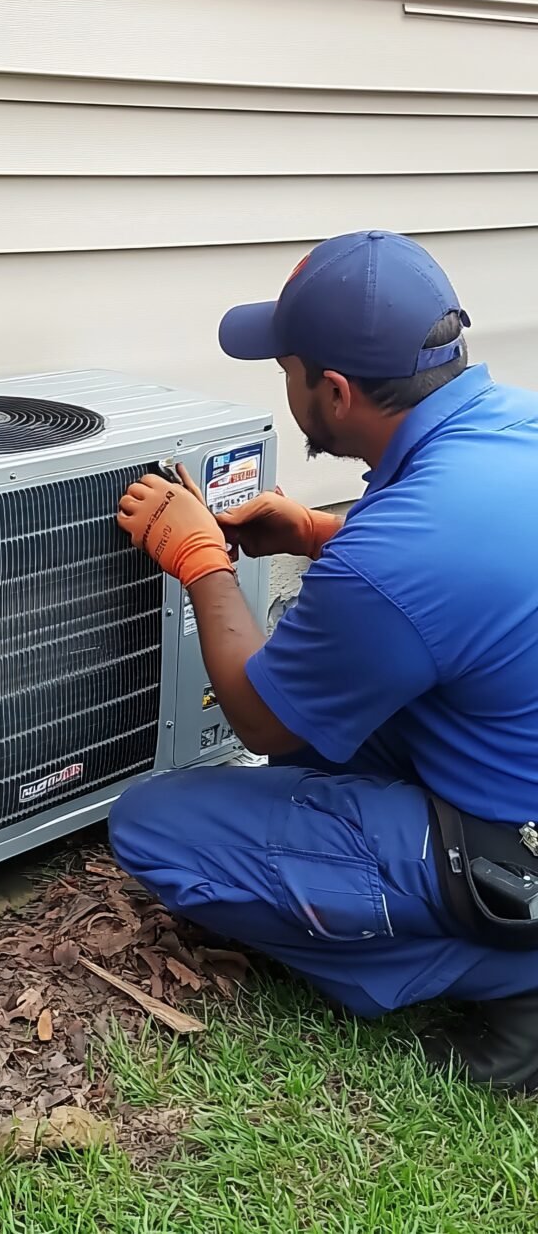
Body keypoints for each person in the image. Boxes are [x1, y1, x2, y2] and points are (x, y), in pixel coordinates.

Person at [109, 229, 538, 1091]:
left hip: (516, 846)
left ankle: (513, 969)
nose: (287, 384)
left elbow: (261, 715)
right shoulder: (510, 429)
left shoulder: (401, 555)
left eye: (287, 369)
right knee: (313, 744)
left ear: (334, 391)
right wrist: (315, 534)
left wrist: (203, 566)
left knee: (153, 827)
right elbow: (468, 569)